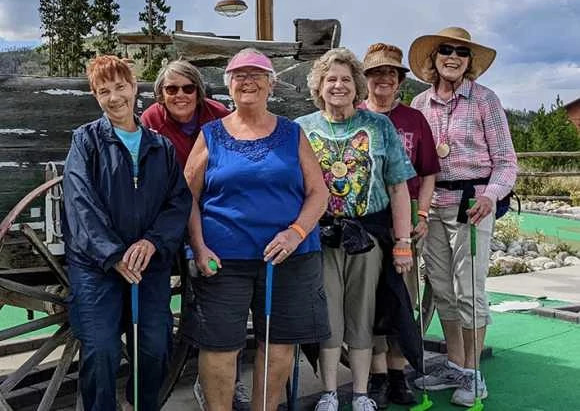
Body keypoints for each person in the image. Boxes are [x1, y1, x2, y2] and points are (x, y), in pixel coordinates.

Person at [183, 48, 330, 411]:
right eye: (239, 75)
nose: (247, 81)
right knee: (219, 345)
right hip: (223, 259)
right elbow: (186, 196)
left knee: (278, 343)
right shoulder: (211, 135)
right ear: (228, 86)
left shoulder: (292, 133)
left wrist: (296, 232)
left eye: (256, 75)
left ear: (271, 84)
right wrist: (198, 248)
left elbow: (318, 193)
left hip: (288, 257)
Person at [63, 55, 192, 411]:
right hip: (97, 266)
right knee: (101, 349)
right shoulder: (86, 141)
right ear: (95, 96)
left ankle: (142, 404)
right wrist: (113, 255)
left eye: (120, 87)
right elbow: (80, 203)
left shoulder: (160, 147)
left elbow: (177, 203)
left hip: (147, 263)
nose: (114, 97)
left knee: (154, 344)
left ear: (135, 89)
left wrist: (153, 242)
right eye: (104, 91)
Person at [295, 48, 417, 411]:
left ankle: (362, 391)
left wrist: (403, 242)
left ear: (357, 86)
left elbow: (398, 187)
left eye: (346, 79)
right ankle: (331, 391)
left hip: (369, 238)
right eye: (330, 79)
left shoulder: (379, 126)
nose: (338, 85)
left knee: (364, 315)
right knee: (329, 314)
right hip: (322, 238)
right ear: (319, 85)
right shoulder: (302, 128)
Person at [408, 27, 517, 407]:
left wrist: (489, 196)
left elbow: (506, 162)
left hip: (473, 204)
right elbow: (418, 162)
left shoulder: (485, 100)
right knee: (440, 288)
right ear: (434, 59)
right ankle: (455, 365)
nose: (453, 57)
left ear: (469, 62)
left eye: (461, 52)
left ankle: (474, 374)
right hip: (433, 203)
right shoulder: (420, 104)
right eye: (445, 51)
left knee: (469, 290)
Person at [140, 60, 253, 410]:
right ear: (160, 95)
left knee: (220, 299)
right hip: (170, 212)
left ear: (199, 92)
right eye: (171, 89)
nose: (180, 95)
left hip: (214, 212)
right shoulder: (151, 121)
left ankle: (220, 382)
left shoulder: (218, 115)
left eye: (188, 88)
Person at [359, 43, 441, 407]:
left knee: (402, 297)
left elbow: (427, 174)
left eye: (391, 73)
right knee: (367, 300)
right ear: (366, 79)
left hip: (405, 217)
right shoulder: (353, 115)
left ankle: (397, 373)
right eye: (377, 72)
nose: (384, 79)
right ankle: (375, 376)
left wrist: (421, 214)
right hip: (364, 219)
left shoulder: (414, 120)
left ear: (399, 80)